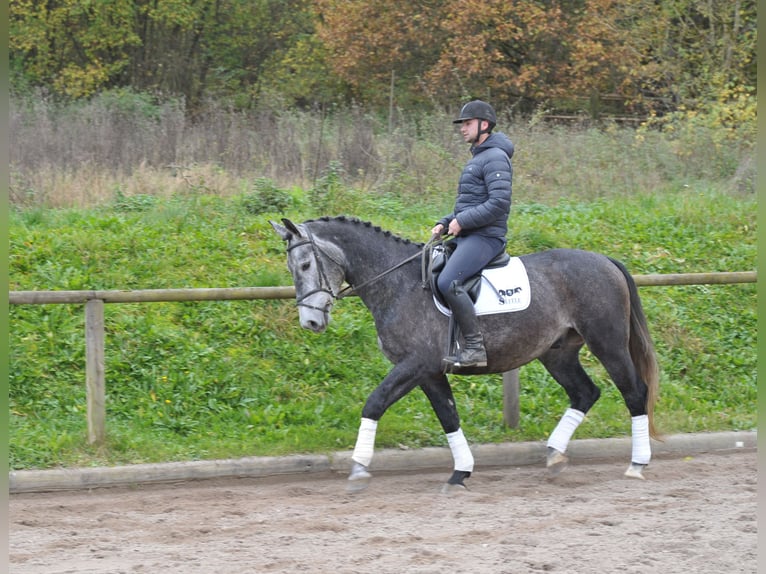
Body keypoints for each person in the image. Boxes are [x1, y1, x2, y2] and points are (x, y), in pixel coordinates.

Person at [431, 100, 514, 369]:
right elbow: (468, 203)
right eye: (462, 124)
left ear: (484, 125)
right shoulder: (478, 157)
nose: (462, 129)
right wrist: (446, 222)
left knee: (448, 282)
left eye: (467, 124)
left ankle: (475, 347)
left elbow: (499, 203)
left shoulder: (494, 157)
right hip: (469, 234)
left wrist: (462, 221)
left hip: (486, 238)